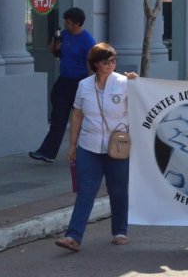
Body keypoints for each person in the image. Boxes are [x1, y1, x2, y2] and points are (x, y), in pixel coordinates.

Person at [55, 43, 138, 252]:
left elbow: (142, 105)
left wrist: (139, 84)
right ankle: (73, 236)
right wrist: (72, 145)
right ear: (95, 63)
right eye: (105, 61)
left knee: (118, 190)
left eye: (113, 61)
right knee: (86, 191)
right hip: (88, 145)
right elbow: (77, 115)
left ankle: (120, 230)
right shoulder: (83, 85)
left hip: (117, 146)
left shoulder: (124, 83)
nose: (110, 65)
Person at [30, 7, 96, 163]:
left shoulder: (87, 40)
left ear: (77, 24)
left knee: (82, 119)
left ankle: (86, 153)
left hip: (80, 82)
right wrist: (55, 45)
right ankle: (47, 152)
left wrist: (92, 84)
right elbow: (51, 50)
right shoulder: (63, 35)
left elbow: (91, 63)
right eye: (65, 21)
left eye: (68, 22)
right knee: (58, 117)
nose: (65, 24)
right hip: (64, 80)